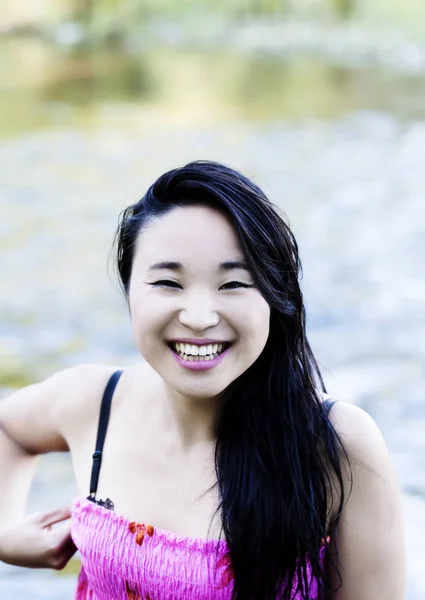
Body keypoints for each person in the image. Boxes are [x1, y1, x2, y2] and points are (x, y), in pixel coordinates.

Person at [0, 161, 405, 600]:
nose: (198, 317)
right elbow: (10, 428)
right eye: (168, 282)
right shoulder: (95, 403)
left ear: (274, 295)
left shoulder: (334, 445)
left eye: (232, 284)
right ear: (129, 289)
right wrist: (4, 535)